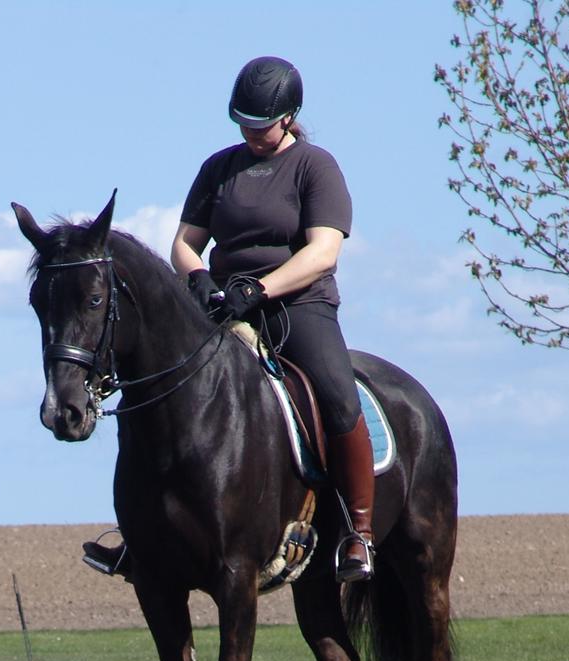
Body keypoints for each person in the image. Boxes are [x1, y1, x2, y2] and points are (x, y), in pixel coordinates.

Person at [83, 55, 374, 584]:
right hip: (219, 304)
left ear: (289, 117)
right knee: (152, 390)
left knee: (337, 393)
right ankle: (142, 533)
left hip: (296, 305)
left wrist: (260, 287)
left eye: (262, 124)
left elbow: (323, 252)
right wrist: (198, 278)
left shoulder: (316, 167)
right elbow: (185, 243)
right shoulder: (218, 167)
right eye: (243, 122)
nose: (252, 132)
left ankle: (358, 530)